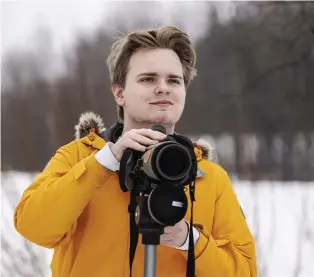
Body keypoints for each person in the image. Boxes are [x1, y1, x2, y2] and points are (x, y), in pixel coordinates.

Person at [14, 25, 257, 277]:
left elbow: (245, 272)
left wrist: (191, 240)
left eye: (174, 80)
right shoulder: (79, 157)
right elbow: (33, 226)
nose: (163, 88)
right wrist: (104, 163)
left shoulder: (207, 178)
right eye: (148, 79)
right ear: (120, 93)